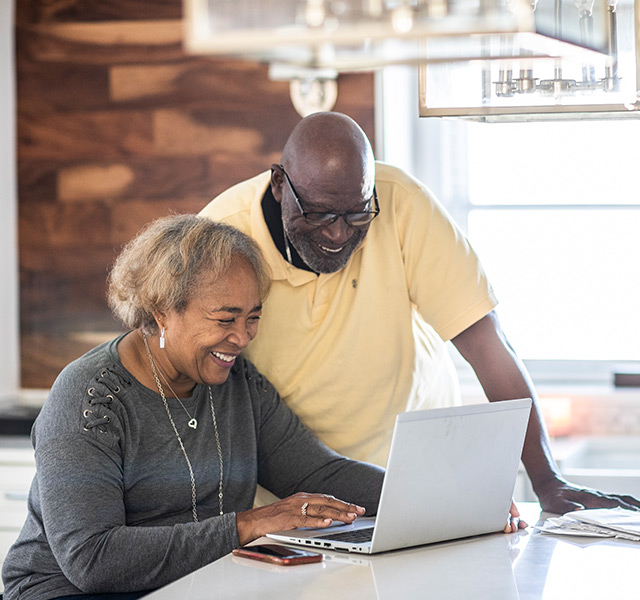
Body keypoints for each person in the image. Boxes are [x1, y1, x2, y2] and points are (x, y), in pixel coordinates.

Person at [199, 111, 640, 515]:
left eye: (357, 214)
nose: (337, 233)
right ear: (279, 184)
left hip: (413, 471)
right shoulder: (221, 237)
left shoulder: (402, 203)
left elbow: (488, 346)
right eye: (318, 214)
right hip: (290, 497)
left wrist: (546, 481)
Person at [1, 215, 385, 600]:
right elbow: (92, 560)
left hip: (188, 586)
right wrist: (246, 526)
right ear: (161, 311)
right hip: (66, 593)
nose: (242, 337)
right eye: (225, 319)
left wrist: (423, 488)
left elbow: (319, 471)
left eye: (253, 317)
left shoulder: (239, 384)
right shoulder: (90, 398)